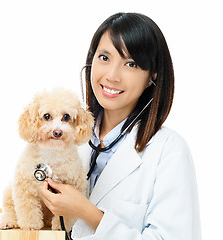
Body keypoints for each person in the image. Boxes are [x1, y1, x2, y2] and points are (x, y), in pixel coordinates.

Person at [40, 12, 201, 240]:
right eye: (104, 58)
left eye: (130, 63)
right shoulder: (68, 138)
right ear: (91, 59)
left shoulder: (169, 151)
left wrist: (87, 212)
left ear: (151, 75)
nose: (112, 76)